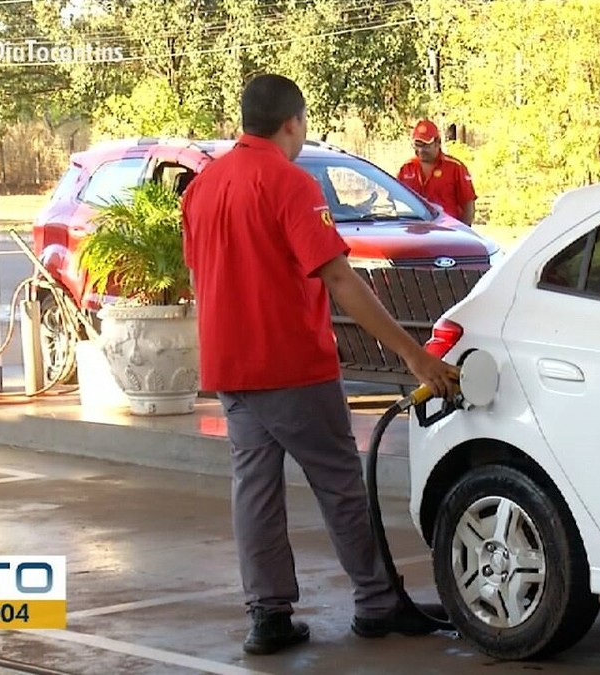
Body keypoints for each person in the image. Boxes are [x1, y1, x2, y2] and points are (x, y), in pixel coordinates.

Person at [181, 74, 460, 656]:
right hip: (290, 365)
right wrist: (414, 356)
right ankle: (378, 602)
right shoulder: (289, 182)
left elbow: (198, 275)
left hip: (230, 367)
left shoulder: (203, 186)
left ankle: (268, 615)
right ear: (293, 123)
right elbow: (339, 277)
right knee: (339, 484)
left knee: (254, 491)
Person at [396, 119, 477, 225]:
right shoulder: (406, 168)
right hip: (413, 232)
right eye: (417, 145)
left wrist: (464, 234)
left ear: (438, 143)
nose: (420, 150)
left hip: (447, 233)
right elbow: (397, 200)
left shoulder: (455, 168)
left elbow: (468, 204)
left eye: (425, 145)